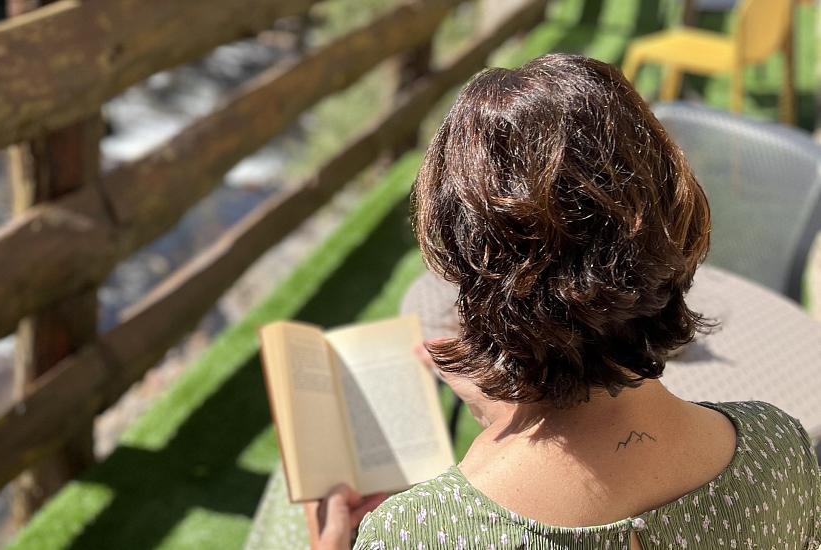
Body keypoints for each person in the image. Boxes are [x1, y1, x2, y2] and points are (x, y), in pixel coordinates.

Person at [305, 53, 821, 549]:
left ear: (470, 272)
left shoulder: (415, 533)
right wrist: (501, 406)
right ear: (674, 224)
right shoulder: (779, 452)